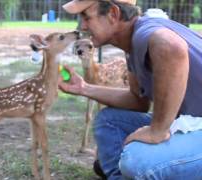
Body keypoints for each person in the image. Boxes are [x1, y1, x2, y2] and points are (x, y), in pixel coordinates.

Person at [60, 0, 202, 179]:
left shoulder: (144, 33)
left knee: (135, 161)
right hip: (193, 124)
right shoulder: (133, 44)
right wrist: (83, 88)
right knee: (109, 120)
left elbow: (171, 47)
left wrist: (157, 130)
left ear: (113, 14)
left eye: (87, 18)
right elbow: (137, 101)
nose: (82, 25)